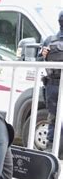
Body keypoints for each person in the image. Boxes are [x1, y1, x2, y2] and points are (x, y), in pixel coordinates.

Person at [39, 10, 63, 151]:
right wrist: (43, 54)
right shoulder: (50, 40)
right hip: (53, 85)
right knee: (54, 118)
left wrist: (43, 55)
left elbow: (37, 59)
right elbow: (40, 58)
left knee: (54, 118)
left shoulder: (50, 40)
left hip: (53, 86)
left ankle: (50, 150)